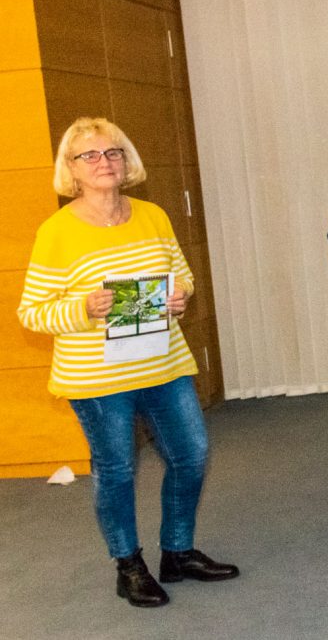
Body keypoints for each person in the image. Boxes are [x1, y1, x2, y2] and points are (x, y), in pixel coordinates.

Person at [17, 118, 238, 608]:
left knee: (192, 455)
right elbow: (31, 312)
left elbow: (180, 275)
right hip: (97, 379)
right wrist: (83, 308)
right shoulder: (57, 232)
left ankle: (177, 552)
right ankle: (129, 564)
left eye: (113, 152)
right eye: (90, 156)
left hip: (164, 363)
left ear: (127, 160)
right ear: (71, 170)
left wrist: (181, 297)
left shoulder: (152, 215)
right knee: (116, 470)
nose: (104, 163)